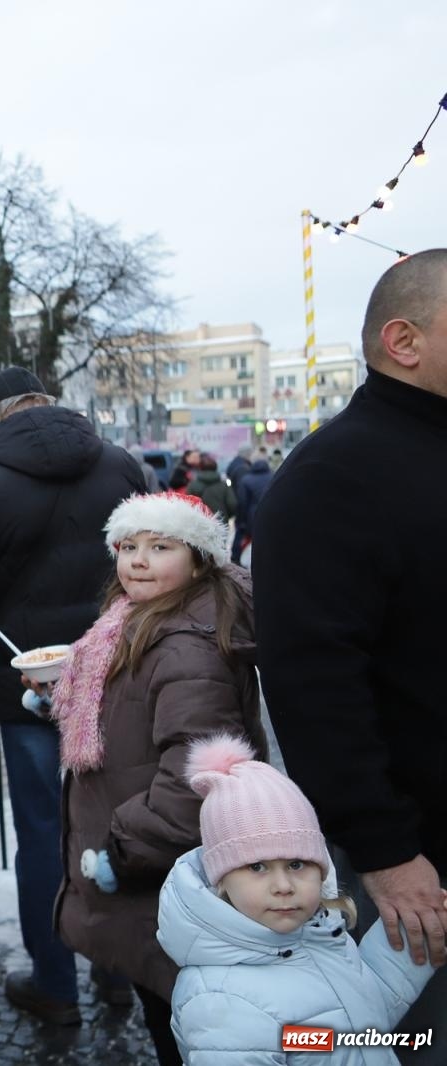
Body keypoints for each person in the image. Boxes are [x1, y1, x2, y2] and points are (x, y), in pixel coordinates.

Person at [253, 249, 447, 1053]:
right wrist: (387, 851)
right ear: (404, 341)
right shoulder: (333, 474)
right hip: (420, 865)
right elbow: (314, 683)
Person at [0, 365, 146, 1027]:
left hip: (31, 681)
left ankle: (55, 983)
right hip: (119, 670)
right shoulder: (121, 466)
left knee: (44, 834)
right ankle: (118, 973)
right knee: (117, 821)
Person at [41, 491, 266, 1064]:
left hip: (161, 873)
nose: (138, 560)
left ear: (198, 559)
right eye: (128, 546)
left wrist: (121, 851)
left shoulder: (186, 645)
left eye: (159, 546)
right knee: (166, 1008)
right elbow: (134, 709)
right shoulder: (135, 621)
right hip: (153, 879)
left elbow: (199, 771)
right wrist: (66, 696)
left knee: (183, 1024)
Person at [159, 736, 438, 1063]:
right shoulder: (223, 1005)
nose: (283, 885)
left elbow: (355, 1025)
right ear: (221, 880)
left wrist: (413, 935)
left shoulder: (316, 937)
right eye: (257, 867)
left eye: (296, 864)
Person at [229, 455, 272, 564]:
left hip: (251, 515)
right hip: (269, 513)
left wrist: (240, 521)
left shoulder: (246, 479)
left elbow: (242, 502)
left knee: (241, 534)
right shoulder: (273, 476)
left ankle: (236, 558)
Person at [185, 455, 236, 521]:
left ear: (200, 468)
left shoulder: (192, 485)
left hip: (200, 522)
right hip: (220, 521)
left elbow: (188, 505)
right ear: (215, 468)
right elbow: (232, 504)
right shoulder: (224, 485)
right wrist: (226, 516)